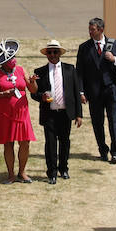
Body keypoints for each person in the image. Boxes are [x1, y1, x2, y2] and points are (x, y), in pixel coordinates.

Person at [75, 17, 116, 164]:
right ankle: (103, 150)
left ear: (101, 30)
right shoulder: (84, 48)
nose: (90, 32)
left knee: (114, 121)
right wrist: (81, 92)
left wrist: (114, 59)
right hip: (93, 92)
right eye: (89, 29)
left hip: (111, 90)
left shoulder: (114, 45)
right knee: (97, 123)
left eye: (92, 29)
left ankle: (115, 152)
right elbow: (79, 72)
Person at [32, 39, 83, 184]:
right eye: (50, 52)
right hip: (49, 114)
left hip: (65, 113)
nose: (53, 55)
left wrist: (79, 114)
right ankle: (52, 172)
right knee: (50, 144)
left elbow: (76, 93)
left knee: (65, 142)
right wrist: (41, 96)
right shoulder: (40, 72)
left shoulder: (69, 69)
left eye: (55, 52)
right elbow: (34, 93)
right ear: (46, 54)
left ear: (60, 53)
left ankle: (63, 169)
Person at [0, 39, 36, 184]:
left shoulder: (21, 70)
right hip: (4, 113)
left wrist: (33, 81)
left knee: (25, 142)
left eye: (13, 57)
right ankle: (11, 174)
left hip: (22, 112)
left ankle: (22, 172)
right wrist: (4, 94)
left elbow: (33, 90)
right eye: (10, 59)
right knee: (8, 143)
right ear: (3, 62)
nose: (13, 60)